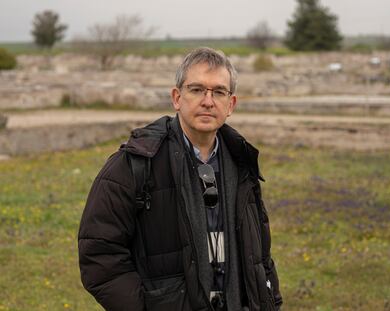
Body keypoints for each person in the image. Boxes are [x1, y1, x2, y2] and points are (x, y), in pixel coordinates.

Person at [78, 47, 282, 311]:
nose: (208, 101)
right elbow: (100, 254)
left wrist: (270, 302)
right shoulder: (134, 164)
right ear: (177, 98)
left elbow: (260, 254)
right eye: (196, 90)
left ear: (230, 104)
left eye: (219, 92)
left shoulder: (242, 164)